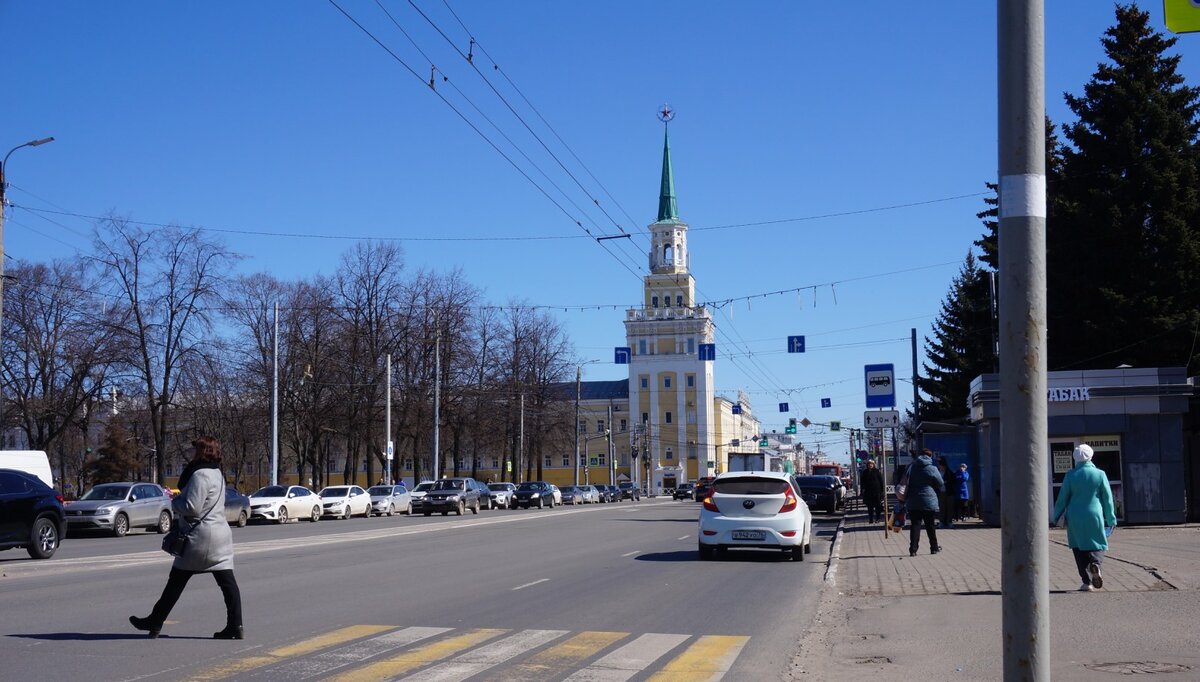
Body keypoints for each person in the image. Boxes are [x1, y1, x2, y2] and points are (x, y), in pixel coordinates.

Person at [130, 436, 243, 639]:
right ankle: (236, 625)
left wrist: (175, 502)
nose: (191, 453)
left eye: (195, 450)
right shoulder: (217, 473)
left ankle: (155, 621)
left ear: (202, 452)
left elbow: (192, 507)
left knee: (176, 580)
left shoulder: (200, 475)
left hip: (200, 537)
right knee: (228, 583)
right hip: (220, 535)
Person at [1052, 444, 1117, 592]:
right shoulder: (1100, 474)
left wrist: (1056, 516)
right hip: (1094, 514)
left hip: (1074, 516)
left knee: (1078, 547)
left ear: (1075, 458)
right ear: (1091, 456)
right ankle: (1095, 564)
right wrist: (1111, 519)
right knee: (1099, 543)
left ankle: (1086, 582)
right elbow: (1107, 499)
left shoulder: (1071, 475)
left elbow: (1062, 498)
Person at [905, 449, 945, 556]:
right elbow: (940, 483)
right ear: (930, 456)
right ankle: (934, 548)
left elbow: (906, 481)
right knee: (930, 525)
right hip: (928, 500)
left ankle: (913, 550)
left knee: (915, 525)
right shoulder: (932, 468)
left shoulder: (912, 467)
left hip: (913, 500)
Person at [859, 460, 885, 524]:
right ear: (867, 465)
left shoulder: (877, 471)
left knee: (878, 506)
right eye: (869, 464)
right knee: (870, 507)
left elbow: (881, 481)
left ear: (873, 465)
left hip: (877, 492)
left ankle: (877, 518)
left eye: (872, 464)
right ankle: (871, 519)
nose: (870, 465)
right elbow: (862, 482)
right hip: (868, 492)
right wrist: (862, 490)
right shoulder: (865, 472)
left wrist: (882, 491)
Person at [936, 459, 954, 528]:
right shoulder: (937, 471)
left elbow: (953, 481)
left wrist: (946, 482)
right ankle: (941, 522)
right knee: (942, 508)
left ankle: (949, 522)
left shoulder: (949, 472)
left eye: (942, 465)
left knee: (949, 508)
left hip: (949, 492)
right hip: (941, 492)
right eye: (940, 465)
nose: (941, 467)